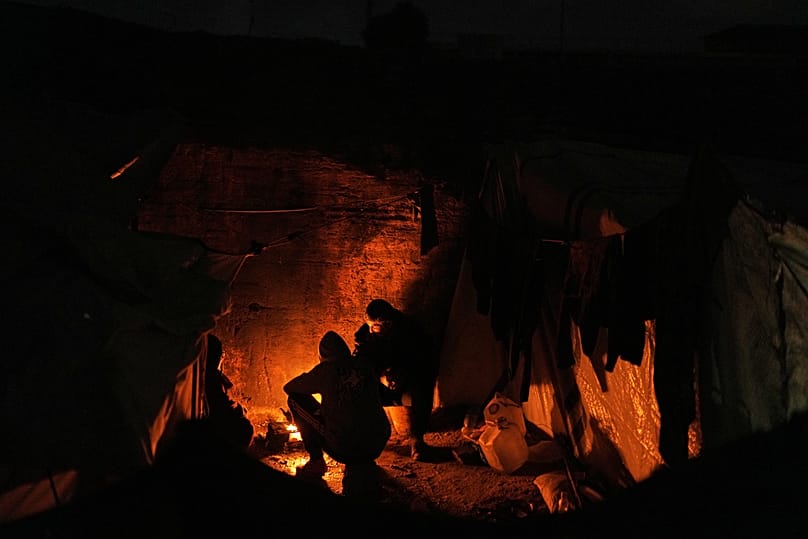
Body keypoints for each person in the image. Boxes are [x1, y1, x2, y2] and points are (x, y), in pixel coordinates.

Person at [283, 330, 391, 496]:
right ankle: (364, 463)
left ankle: (316, 461)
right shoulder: (364, 365)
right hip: (377, 442)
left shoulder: (325, 370)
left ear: (322, 356)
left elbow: (290, 388)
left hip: (344, 446)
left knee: (294, 400)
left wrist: (316, 377)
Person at [353, 299, 439, 461]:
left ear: (388, 324)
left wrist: (403, 374)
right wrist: (380, 377)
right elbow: (360, 363)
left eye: (375, 327)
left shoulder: (412, 331)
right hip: (381, 383)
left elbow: (424, 359)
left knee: (424, 383)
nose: (371, 330)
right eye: (369, 326)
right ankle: (366, 438)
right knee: (357, 384)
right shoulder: (364, 335)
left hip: (408, 381)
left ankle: (417, 440)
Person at [204, 334, 254, 450]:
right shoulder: (212, 379)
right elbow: (222, 406)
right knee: (246, 429)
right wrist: (240, 410)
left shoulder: (211, 376)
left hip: (216, 421)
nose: (223, 357)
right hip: (217, 426)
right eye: (221, 355)